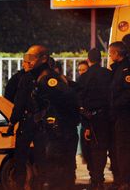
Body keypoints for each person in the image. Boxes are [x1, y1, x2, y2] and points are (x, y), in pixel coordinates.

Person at [7, 45, 79, 189]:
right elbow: (19, 102)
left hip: (46, 127)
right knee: (26, 159)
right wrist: (13, 120)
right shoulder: (28, 77)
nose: (26, 62)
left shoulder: (48, 78)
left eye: (30, 58)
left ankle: (37, 185)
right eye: (26, 58)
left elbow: (68, 100)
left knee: (44, 161)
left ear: (44, 59)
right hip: (32, 123)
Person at [78, 48, 111, 190]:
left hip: (90, 118)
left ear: (88, 59)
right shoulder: (108, 74)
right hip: (107, 118)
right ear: (100, 59)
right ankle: (99, 178)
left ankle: (95, 178)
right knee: (102, 149)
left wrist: (85, 125)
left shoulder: (84, 78)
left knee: (90, 150)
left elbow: (80, 103)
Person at [109, 41, 130, 189]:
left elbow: (127, 93)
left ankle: (125, 181)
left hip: (125, 115)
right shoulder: (118, 68)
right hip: (119, 115)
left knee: (123, 149)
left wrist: (115, 105)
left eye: (110, 53)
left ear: (117, 53)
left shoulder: (126, 70)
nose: (109, 56)